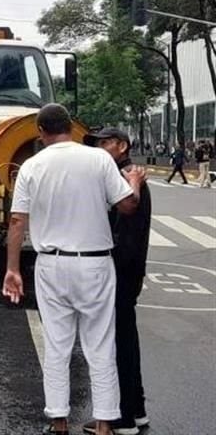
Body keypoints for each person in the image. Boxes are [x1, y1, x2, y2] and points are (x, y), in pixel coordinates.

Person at [2, 104, 145, 435]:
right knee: (100, 345)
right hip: (95, 264)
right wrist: (134, 183)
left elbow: (17, 220)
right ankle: (106, 424)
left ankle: (58, 421)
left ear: (41, 132)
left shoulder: (31, 166)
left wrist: (12, 270)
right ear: (71, 128)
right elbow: (127, 205)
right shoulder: (97, 159)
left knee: (57, 346)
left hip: (52, 265)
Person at [83, 128, 152, 435]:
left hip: (118, 271)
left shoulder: (124, 178)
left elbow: (124, 234)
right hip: (127, 270)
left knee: (114, 343)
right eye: (95, 144)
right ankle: (135, 410)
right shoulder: (125, 175)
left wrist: (108, 271)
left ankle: (123, 417)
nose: (98, 148)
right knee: (125, 340)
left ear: (122, 146)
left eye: (104, 143)